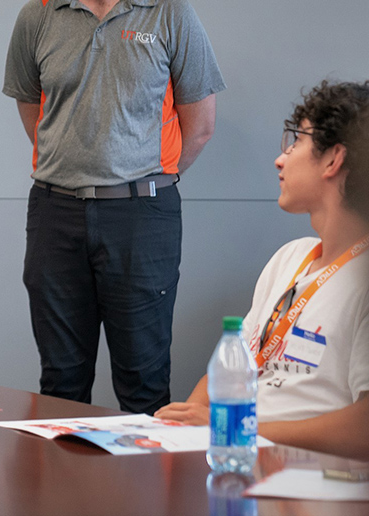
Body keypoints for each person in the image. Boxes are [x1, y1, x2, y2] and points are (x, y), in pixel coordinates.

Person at [2, 0, 226, 414]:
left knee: (144, 383)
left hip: (143, 216)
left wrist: (142, 176)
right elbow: (33, 108)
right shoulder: (39, 13)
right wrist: (74, 159)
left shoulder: (170, 8)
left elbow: (199, 123)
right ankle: (61, 497)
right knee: (60, 380)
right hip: (55, 214)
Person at [156, 81, 369, 461]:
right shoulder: (290, 258)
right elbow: (239, 367)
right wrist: (178, 437)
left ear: (334, 159)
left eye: (295, 142)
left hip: (307, 481)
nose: (280, 159)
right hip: (240, 460)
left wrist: (236, 430)